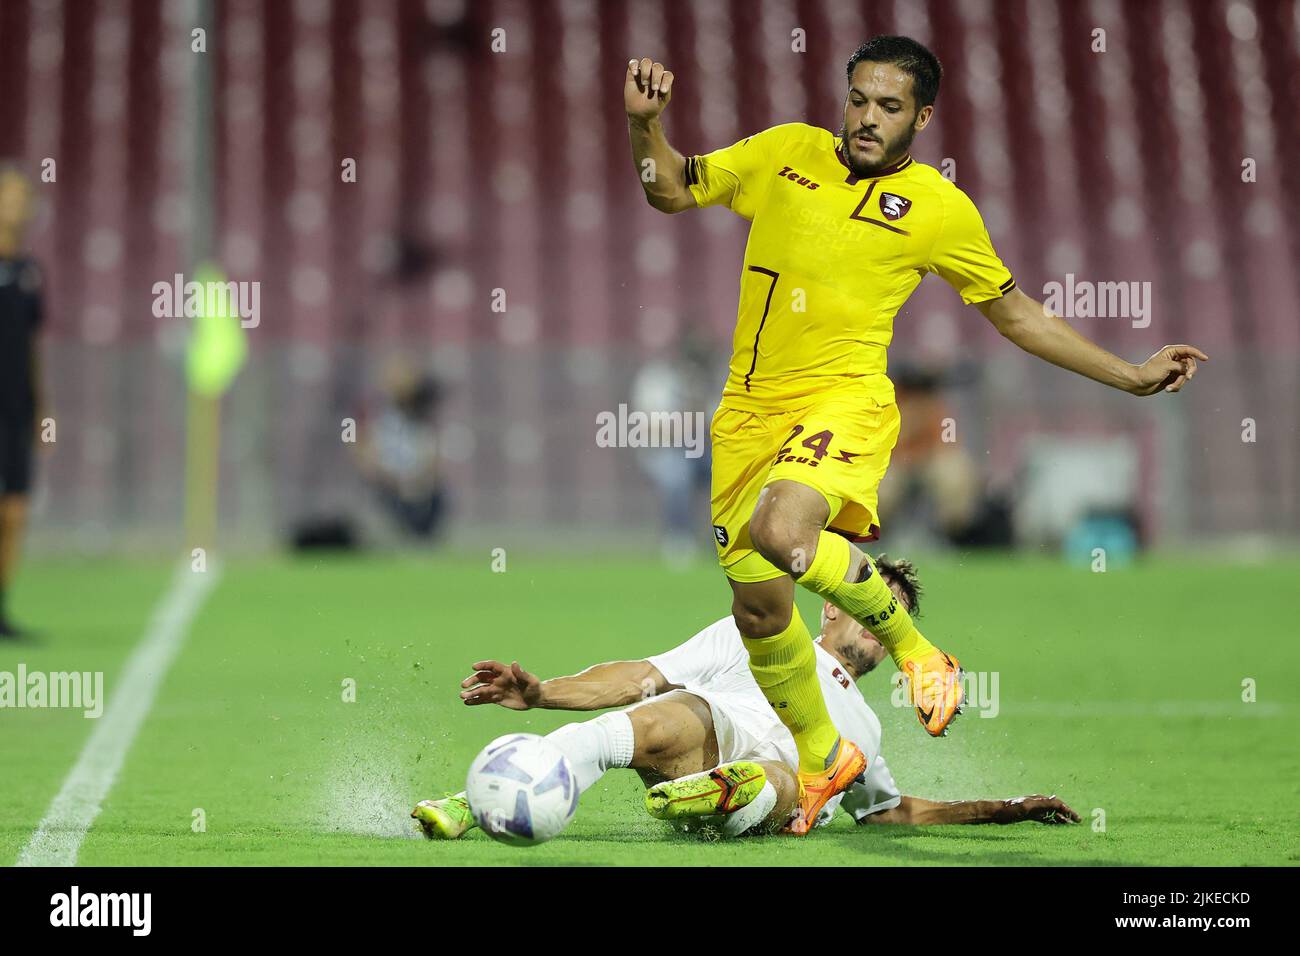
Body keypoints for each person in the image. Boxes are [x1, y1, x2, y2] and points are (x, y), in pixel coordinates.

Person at [622, 35, 1206, 830]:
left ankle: (916, 651)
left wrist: (1131, 375)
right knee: (760, 613)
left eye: (889, 106)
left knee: (782, 527)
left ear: (922, 116)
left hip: (842, 401)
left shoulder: (937, 208)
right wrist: (643, 128)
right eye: (858, 99)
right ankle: (825, 755)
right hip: (745, 414)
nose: (867, 118)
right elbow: (671, 190)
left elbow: (1016, 314)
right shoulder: (786, 152)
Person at [411, 556, 1078, 840]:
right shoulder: (759, 630)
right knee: (661, 715)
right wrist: (544, 692)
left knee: (796, 778)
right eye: (871, 610)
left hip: (774, 779)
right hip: (711, 731)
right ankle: (474, 804)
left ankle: (730, 794)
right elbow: (647, 670)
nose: (880, 629)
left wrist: (1006, 810)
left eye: (893, 622)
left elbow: (889, 815)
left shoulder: (868, 730)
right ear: (832, 612)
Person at [0, 164, 45, 638]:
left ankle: (1, 609)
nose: (18, 207)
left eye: (23, 198)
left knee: (14, 512)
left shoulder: (31, 272)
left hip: (16, 409)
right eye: (9, 197)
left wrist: (41, 408)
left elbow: (32, 346)